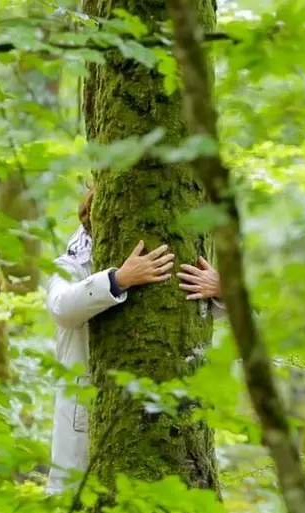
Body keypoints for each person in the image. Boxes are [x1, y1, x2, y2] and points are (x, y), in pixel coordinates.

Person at [45, 187, 224, 494]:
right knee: (78, 502)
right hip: (89, 413)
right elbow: (62, 309)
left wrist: (223, 288)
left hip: (168, 421)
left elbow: (228, 319)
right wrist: (118, 279)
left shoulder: (183, 253)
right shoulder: (72, 264)